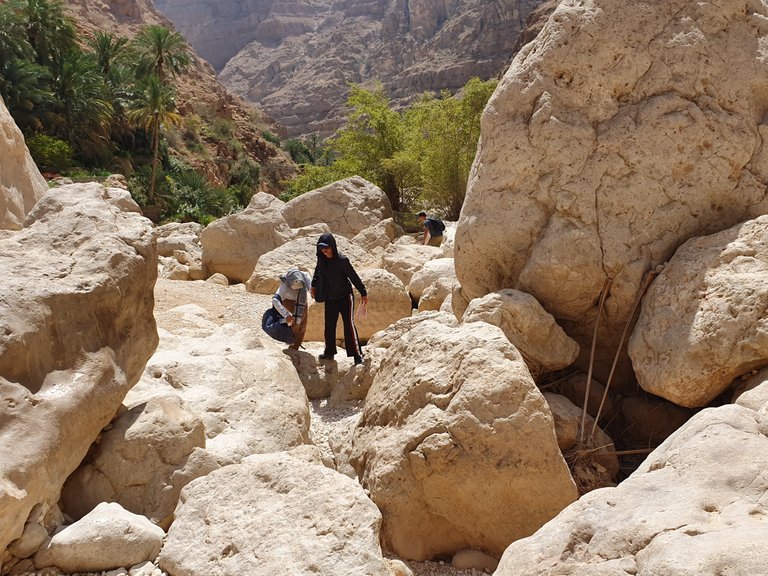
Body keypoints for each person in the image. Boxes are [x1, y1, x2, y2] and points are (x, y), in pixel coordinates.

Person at [311, 232, 368, 364]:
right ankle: (329, 352)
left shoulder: (342, 261)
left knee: (349, 325)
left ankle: (357, 355)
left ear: (333, 247)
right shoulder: (322, 260)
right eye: (321, 247)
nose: (324, 250)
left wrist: (363, 292)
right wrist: (313, 285)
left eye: (326, 247)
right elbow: (317, 272)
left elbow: (353, 276)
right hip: (330, 298)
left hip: (345, 298)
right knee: (329, 326)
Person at [272, 268, 312, 350]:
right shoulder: (285, 283)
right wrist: (286, 315)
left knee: (303, 325)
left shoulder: (305, 276)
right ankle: (290, 340)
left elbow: (311, 288)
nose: (297, 290)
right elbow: (275, 300)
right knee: (295, 321)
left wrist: (313, 292)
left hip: (302, 300)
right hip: (288, 300)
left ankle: (295, 347)